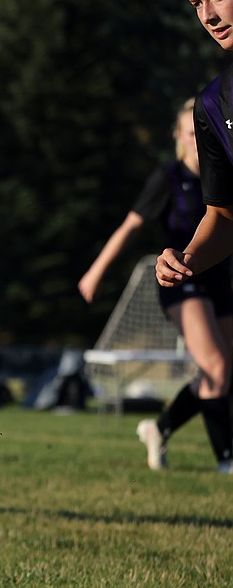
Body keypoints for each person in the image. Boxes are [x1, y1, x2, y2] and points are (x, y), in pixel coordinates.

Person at [92, 99, 233, 472]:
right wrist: (95, 272)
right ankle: (226, 460)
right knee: (216, 367)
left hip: (218, 277)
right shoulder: (168, 178)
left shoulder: (221, 173)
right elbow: (129, 227)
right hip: (180, 279)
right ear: (180, 137)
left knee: (220, 372)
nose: (197, 138)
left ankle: (159, 428)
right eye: (190, 132)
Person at [155, 0, 233, 473]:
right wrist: (185, 257)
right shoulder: (211, 103)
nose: (207, 13)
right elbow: (225, 216)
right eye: (196, 3)